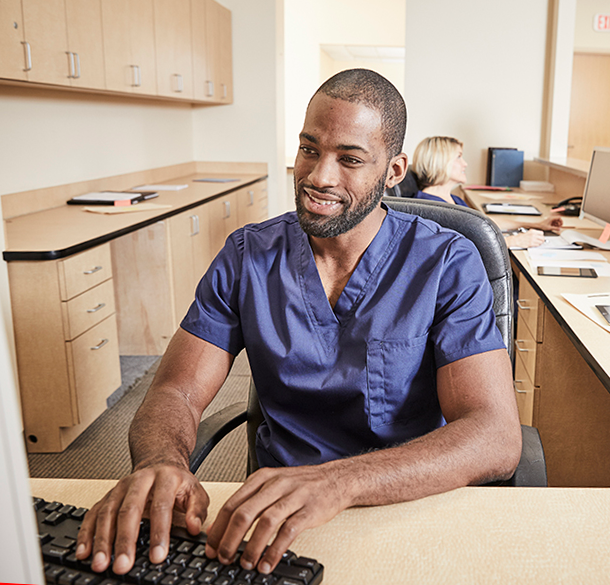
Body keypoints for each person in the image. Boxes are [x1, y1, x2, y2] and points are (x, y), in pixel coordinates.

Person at [75, 69, 522, 577]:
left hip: (405, 504)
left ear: (395, 169)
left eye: (349, 159)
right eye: (310, 149)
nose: (318, 177)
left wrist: (338, 482)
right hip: (273, 522)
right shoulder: (248, 256)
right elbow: (176, 391)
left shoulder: (444, 262)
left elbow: (495, 435)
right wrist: (163, 461)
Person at [411, 136, 563, 249]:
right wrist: (514, 241)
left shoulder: (452, 200)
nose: (465, 163)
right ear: (440, 161)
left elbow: (485, 225)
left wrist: (538, 224)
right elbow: (464, 249)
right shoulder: (430, 208)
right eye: (458, 157)